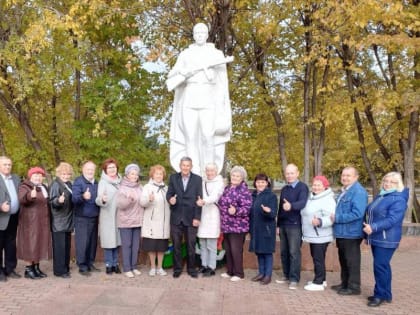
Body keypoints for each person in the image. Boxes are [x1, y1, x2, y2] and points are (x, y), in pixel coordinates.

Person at [167, 22, 232, 176]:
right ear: (194, 35)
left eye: (203, 33)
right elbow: (171, 75)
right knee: (190, 136)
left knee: (208, 135)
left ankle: (209, 171)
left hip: (208, 100)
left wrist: (209, 74)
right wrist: (184, 73)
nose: (200, 36)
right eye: (197, 33)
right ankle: (193, 173)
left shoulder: (216, 55)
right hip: (189, 98)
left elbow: (221, 83)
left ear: (207, 34)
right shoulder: (185, 54)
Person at [363, 172, 408, 307]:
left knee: (380, 266)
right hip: (376, 236)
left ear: (398, 184)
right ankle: (385, 294)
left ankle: (380, 295)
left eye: (392, 182)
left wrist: (374, 227)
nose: (387, 184)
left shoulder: (398, 199)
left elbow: (392, 219)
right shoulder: (382, 196)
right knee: (383, 266)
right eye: (386, 181)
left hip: (387, 239)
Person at [331, 166, 368, 295]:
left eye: (348, 175)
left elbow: (357, 213)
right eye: (343, 175)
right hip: (342, 232)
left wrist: (337, 218)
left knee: (352, 261)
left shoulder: (358, 192)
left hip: (351, 233)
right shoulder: (345, 191)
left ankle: (354, 287)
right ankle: (345, 283)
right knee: (344, 259)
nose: (345, 177)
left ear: (356, 177)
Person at [166, 156, 202, 278]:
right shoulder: (173, 178)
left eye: (188, 165)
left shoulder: (197, 179)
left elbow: (199, 199)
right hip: (176, 217)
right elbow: (169, 194)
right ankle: (177, 269)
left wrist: (197, 217)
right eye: (183, 165)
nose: (185, 167)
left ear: (191, 167)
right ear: (180, 166)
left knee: (191, 246)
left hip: (191, 218)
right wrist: (170, 199)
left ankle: (192, 269)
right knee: (176, 245)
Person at [276, 164, 309, 290]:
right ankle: (286, 275)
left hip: (295, 225)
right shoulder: (285, 189)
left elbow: (302, 202)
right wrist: (278, 225)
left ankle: (294, 278)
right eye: (287, 173)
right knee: (284, 252)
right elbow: (281, 208)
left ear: (297, 173)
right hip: (283, 225)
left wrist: (291, 206)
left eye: (292, 173)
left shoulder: (302, 187)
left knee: (294, 252)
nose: (289, 175)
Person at [301, 175, 336, 291]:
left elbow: (331, 217)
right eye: (314, 185)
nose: (316, 187)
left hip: (320, 234)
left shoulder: (328, 199)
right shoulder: (312, 197)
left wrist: (320, 221)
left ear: (325, 187)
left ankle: (318, 282)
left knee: (318, 259)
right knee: (317, 257)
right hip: (313, 234)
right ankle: (322, 279)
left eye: (319, 185)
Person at [218, 166, 252, 282]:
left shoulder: (244, 190)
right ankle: (230, 271)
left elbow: (247, 208)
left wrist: (236, 211)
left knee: (235, 250)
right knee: (228, 248)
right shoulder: (227, 188)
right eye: (233, 175)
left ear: (242, 178)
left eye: (238, 176)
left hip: (238, 226)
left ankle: (239, 273)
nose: (235, 177)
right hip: (226, 225)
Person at [17, 167, 51, 279]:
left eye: (40, 175)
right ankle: (28, 269)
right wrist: (29, 196)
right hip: (30, 222)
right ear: (30, 176)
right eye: (35, 175)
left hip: (42, 222)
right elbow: (22, 199)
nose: (38, 177)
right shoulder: (24, 186)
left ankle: (36, 267)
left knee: (38, 244)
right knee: (29, 245)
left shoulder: (44, 187)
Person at [140, 165, 170, 277]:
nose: (159, 176)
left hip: (163, 223)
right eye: (157, 173)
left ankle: (160, 267)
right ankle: (153, 267)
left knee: (161, 247)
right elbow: (142, 202)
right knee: (151, 247)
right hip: (152, 222)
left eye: (161, 174)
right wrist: (149, 199)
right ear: (152, 175)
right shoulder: (147, 187)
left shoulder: (166, 188)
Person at [72, 161, 100, 276]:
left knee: (92, 242)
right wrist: (83, 196)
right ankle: (82, 266)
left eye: (92, 169)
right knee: (82, 242)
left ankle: (89, 263)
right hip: (82, 217)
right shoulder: (79, 182)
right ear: (83, 170)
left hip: (94, 216)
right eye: (88, 169)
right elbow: (74, 199)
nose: (90, 171)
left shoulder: (96, 182)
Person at [196, 163, 224, 277]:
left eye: (212, 170)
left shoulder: (219, 183)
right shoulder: (203, 182)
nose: (209, 172)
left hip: (213, 215)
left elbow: (215, 196)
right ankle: (204, 264)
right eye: (207, 170)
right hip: (202, 214)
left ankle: (211, 267)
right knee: (202, 243)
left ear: (216, 171)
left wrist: (204, 201)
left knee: (211, 244)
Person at [249, 173, 278, 285]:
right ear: (255, 183)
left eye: (263, 182)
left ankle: (267, 275)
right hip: (255, 228)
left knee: (267, 252)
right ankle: (261, 273)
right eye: (258, 182)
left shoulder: (271, 196)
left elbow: (273, 213)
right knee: (259, 252)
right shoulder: (253, 195)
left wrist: (268, 211)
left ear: (267, 183)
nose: (260, 184)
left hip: (267, 228)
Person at [116, 163, 144, 278]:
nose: (134, 176)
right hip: (125, 221)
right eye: (132, 174)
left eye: (136, 174)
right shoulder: (121, 187)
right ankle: (127, 268)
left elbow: (143, 201)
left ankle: (134, 266)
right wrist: (129, 200)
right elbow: (120, 205)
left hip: (137, 221)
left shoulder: (140, 187)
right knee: (127, 245)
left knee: (135, 246)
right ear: (127, 175)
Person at [96, 158, 122, 275]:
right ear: (105, 170)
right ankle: (108, 264)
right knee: (108, 241)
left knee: (117, 240)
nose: (112, 169)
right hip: (107, 215)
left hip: (120, 215)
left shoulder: (121, 181)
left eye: (114, 167)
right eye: (109, 168)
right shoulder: (103, 182)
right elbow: (98, 199)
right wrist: (102, 199)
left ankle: (116, 264)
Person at [49, 162, 74, 278]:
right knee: (60, 247)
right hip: (59, 221)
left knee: (66, 246)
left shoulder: (69, 184)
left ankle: (65, 268)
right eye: (63, 174)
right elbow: (52, 202)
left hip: (68, 220)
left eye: (68, 174)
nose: (66, 176)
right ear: (59, 173)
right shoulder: (55, 185)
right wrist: (58, 201)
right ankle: (60, 271)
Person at [0, 156, 21, 281]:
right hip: (1, 218)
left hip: (13, 217)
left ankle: (10, 269)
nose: (8, 167)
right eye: (5, 164)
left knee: (11, 245)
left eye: (9, 165)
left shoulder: (16, 178)